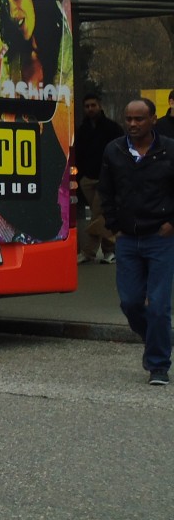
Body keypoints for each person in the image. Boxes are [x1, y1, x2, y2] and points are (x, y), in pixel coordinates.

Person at [99, 98, 174, 386]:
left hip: (161, 238)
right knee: (130, 303)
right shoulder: (114, 150)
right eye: (128, 118)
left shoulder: (169, 150)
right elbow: (106, 191)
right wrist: (114, 225)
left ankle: (158, 366)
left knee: (158, 307)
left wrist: (172, 223)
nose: (132, 124)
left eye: (139, 119)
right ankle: (155, 337)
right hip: (127, 240)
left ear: (153, 119)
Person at [75, 93, 124, 264]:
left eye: (93, 105)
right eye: (87, 106)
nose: (90, 109)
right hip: (87, 179)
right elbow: (78, 154)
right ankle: (107, 250)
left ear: (100, 106)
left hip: (106, 179)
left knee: (98, 213)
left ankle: (91, 252)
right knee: (101, 215)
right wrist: (81, 177)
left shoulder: (112, 128)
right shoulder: (82, 130)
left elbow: (121, 151)